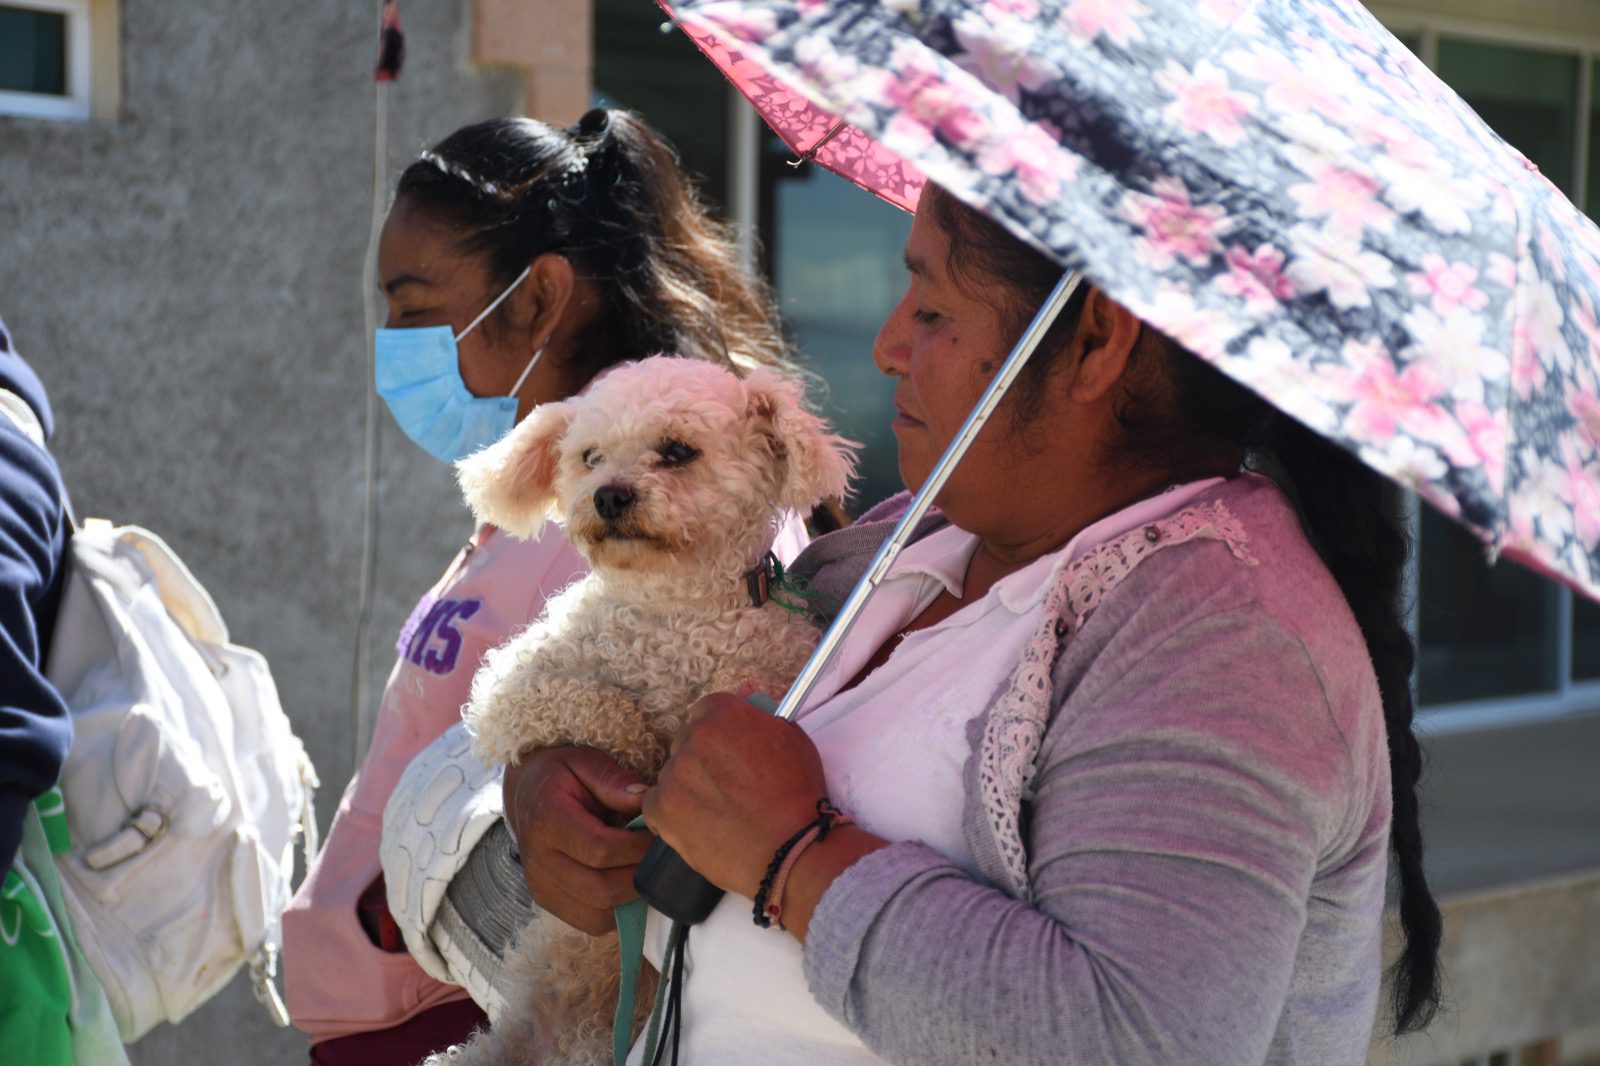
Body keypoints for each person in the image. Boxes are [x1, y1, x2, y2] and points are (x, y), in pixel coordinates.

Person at [505, 183, 1443, 1065]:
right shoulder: (923, 540)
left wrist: (794, 854)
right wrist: (545, 777)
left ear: (1093, 342)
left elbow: (1137, 1039)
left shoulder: (1230, 643)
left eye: (933, 311)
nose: (884, 346)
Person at [282, 107, 810, 1065]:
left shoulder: (651, 531)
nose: (391, 338)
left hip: (473, 1016)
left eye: (413, 304)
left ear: (536, 299)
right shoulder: (547, 502)